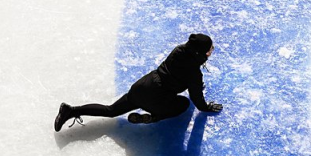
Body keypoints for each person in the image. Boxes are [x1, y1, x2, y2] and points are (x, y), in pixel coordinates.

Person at [54, 33, 223, 132]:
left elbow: (184, 66)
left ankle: (71, 110)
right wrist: (206, 107)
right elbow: (196, 98)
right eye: (210, 49)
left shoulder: (179, 50)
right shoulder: (194, 73)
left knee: (111, 110)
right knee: (183, 104)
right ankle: (153, 117)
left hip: (143, 86)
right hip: (158, 97)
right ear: (200, 53)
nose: (212, 50)